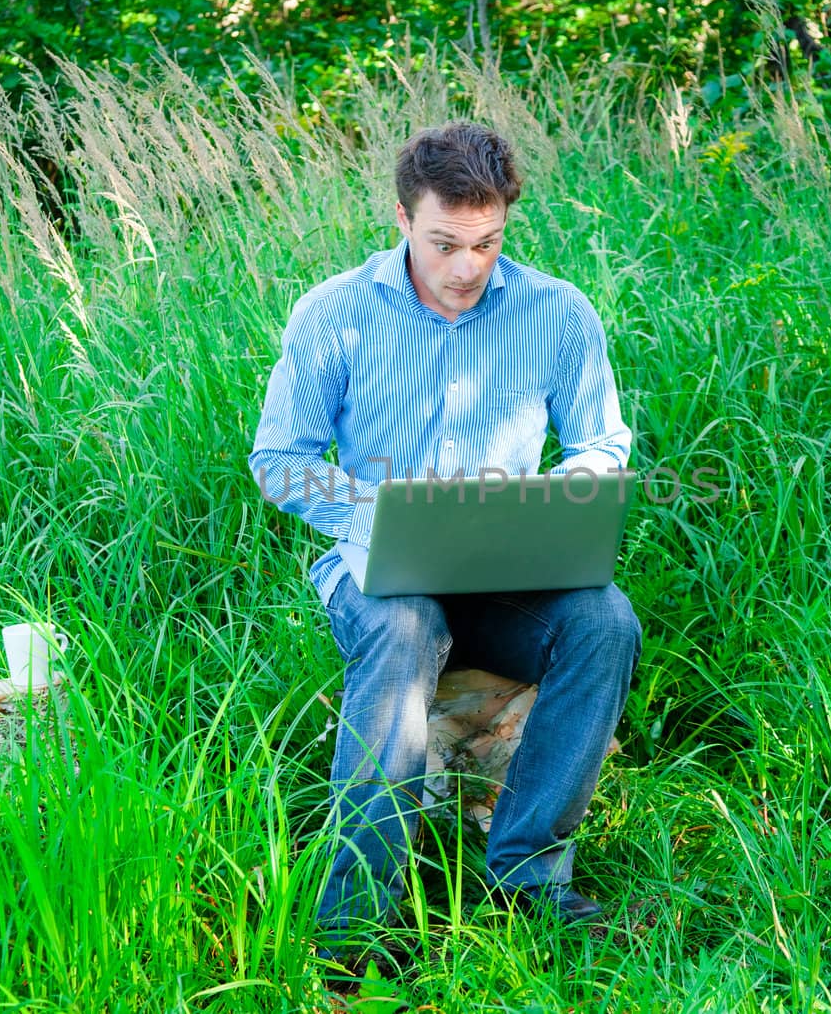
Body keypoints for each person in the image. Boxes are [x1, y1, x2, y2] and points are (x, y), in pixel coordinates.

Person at [248, 121, 641, 950]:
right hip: (381, 568)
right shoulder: (335, 313)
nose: (467, 266)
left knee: (605, 622)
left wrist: (573, 492)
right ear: (401, 218)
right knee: (403, 624)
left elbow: (601, 442)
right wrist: (378, 516)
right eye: (444, 243)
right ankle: (358, 918)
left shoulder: (557, 312)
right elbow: (279, 458)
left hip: (509, 568)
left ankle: (526, 874)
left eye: (488, 242)